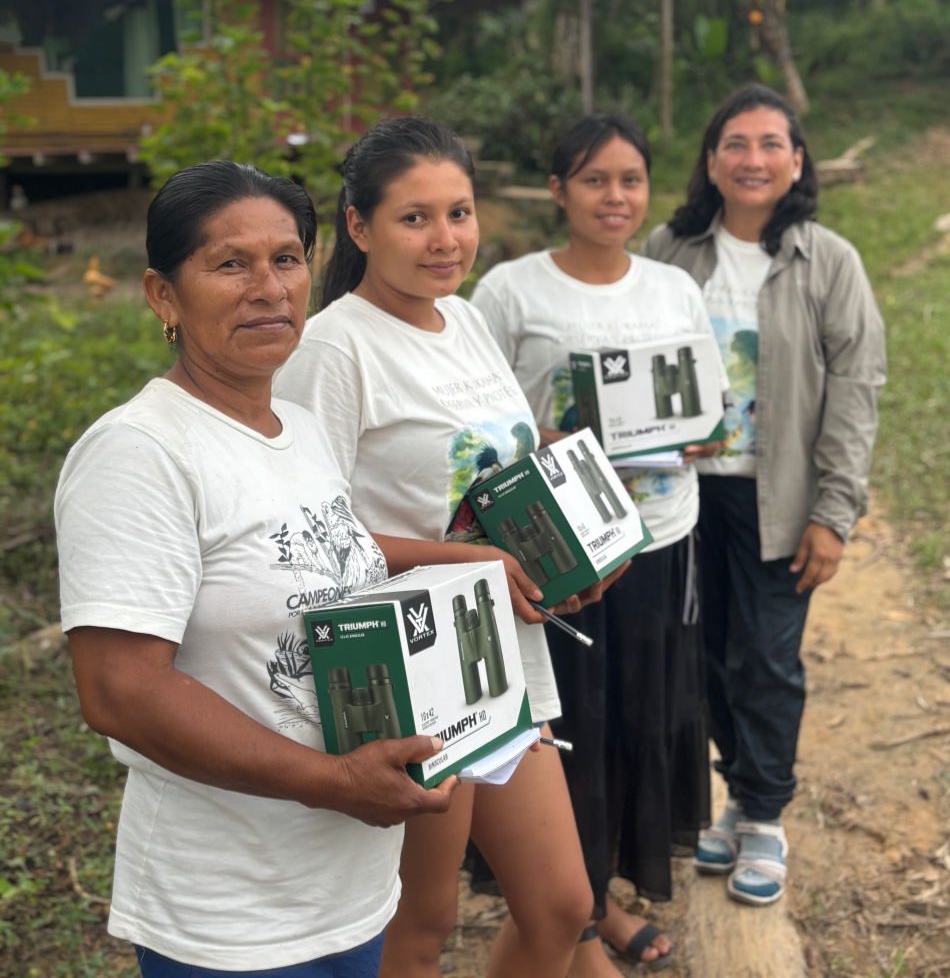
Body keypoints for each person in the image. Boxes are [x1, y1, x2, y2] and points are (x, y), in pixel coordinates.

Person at [53, 160, 528, 978]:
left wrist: (466, 557)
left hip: (349, 887)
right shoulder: (141, 452)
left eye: (286, 258)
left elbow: (323, 550)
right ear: (163, 294)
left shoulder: (298, 428)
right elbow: (120, 691)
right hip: (232, 912)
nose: (268, 288)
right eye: (229, 263)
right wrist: (332, 780)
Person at [274, 117, 615, 978]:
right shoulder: (332, 347)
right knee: (419, 927)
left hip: (500, 645)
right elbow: (308, 534)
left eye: (458, 213)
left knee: (563, 906)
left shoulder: (463, 320)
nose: (445, 239)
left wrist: (558, 560)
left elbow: (499, 475)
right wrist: (474, 565)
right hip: (411, 665)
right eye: (414, 218)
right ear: (359, 227)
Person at [471, 113, 729, 975]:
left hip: (660, 536)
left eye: (630, 180)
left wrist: (696, 433)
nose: (614, 197)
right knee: (570, 725)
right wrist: (553, 437)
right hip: (559, 557)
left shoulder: (671, 288)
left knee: (637, 717)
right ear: (557, 191)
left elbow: (707, 404)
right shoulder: (509, 291)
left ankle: (602, 896)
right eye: (593, 180)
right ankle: (580, 922)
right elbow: (477, 415)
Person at [642, 84, 886, 906]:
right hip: (678, 498)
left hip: (778, 497)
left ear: (797, 161)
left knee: (768, 660)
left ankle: (766, 815)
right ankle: (733, 795)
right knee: (703, 657)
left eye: (770, 144)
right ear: (711, 161)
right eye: (735, 143)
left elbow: (857, 384)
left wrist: (835, 511)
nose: (753, 159)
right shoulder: (668, 252)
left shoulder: (829, 260)